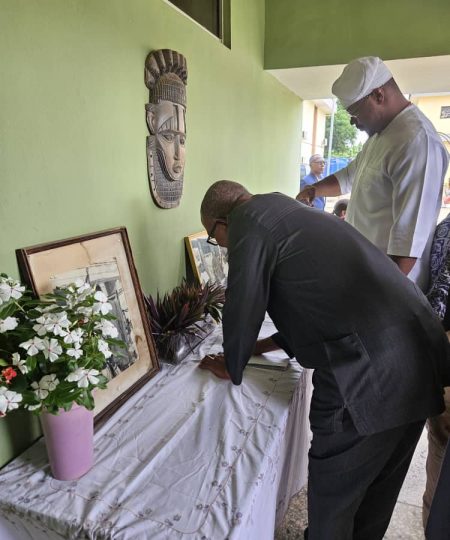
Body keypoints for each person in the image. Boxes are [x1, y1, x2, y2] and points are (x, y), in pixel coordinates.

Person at [198, 180, 450, 540]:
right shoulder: (287, 210)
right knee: (378, 492)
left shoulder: (248, 221)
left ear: (222, 223)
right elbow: (318, 304)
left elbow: (242, 303)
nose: (220, 245)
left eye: (214, 238)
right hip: (417, 357)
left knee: (335, 498)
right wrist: (258, 348)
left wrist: (232, 363)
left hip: (368, 373)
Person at [296, 56, 449, 292]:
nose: (353, 122)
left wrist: (375, 297)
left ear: (378, 95)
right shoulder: (380, 135)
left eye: (356, 112)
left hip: (390, 288)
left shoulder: (417, 142)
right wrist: (313, 190)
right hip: (364, 273)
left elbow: (409, 241)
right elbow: (349, 176)